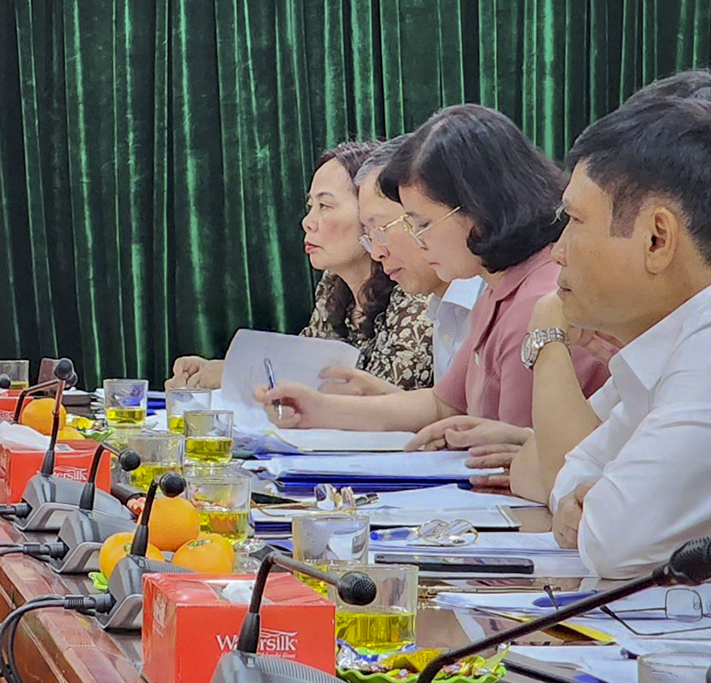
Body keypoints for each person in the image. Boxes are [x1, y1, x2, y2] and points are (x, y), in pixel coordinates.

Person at [258, 106, 609, 478]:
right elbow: (443, 405)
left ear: (476, 210)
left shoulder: (535, 299)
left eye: (421, 223)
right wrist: (317, 408)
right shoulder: (498, 289)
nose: (418, 240)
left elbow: (517, 464)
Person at [541, 95, 711, 578]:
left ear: (657, 239)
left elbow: (615, 541)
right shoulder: (672, 339)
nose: (557, 252)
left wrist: (591, 510)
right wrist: (584, 501)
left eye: (574, 221)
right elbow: (573, 470)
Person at [171, 141, 435, 392]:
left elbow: (383, 400)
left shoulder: (415, 288)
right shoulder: (333, 285)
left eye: (325, 206)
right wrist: (222, 369)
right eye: (311, 206)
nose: (307, 222)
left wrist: (240, 375)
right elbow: (304, 370)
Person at [349, 140, 484, 392]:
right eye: (369, 236)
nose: (377, 253)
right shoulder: (440, 304)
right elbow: (450, 408)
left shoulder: (493, 297)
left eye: (381, 229)